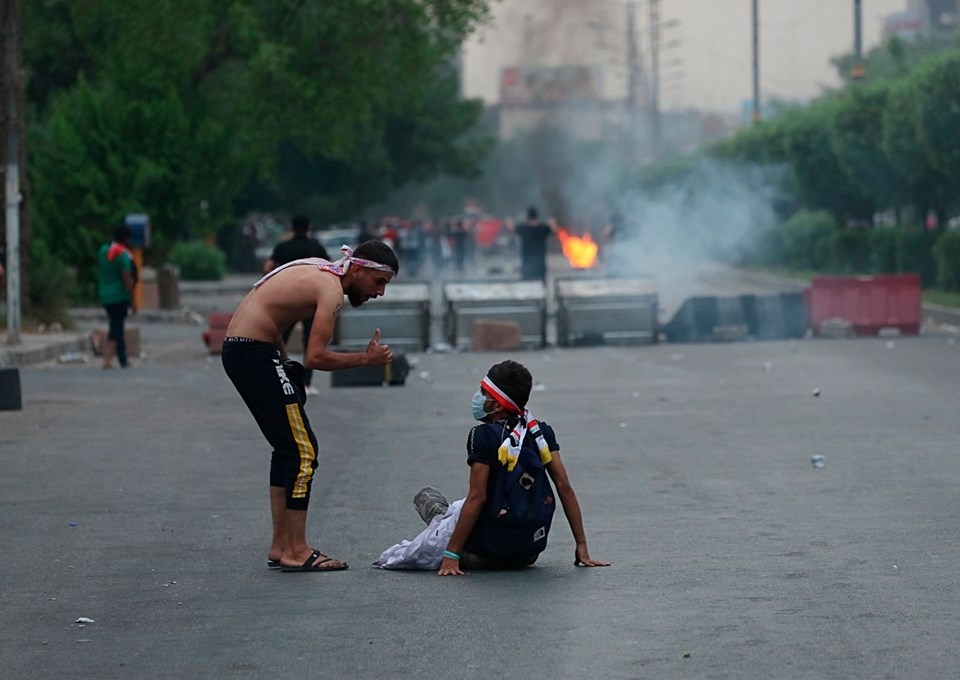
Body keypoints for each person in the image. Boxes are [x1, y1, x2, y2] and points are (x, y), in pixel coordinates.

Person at [221, 240, 399, 573]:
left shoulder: (320, 270)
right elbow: (315, 357)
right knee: (304, 452)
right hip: (252, 353)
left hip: (247, 350)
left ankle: (280, 546)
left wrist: (283, 362)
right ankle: (297, 550)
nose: (380, 293)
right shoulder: (330, 291)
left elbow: (267, 309)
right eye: (379, 282)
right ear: (358, 270)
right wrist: (366, 359)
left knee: (287, 449)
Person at [376, 359, 609, 575]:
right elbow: (563, 486)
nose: (478, 397)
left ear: (496, 405)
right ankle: (445, 517)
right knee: (457, 510)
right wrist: (581, 545)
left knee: (432, 502)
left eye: (483, 393)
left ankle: (439, 515)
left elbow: (478, 498)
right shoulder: (541, 432)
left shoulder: (483, 435)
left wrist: (450, 555)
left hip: (485, 555)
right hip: (528, 553)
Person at [262, 215, 330, 396]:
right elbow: (330, 269)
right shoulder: (316, 248)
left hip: (287, 301)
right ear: (309, 228)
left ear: (292, 227)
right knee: (310, 342)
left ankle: (277, 377)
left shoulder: (282, 248)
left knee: (279, 340)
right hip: (310, 301)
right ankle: (306, 383)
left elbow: (267, 268)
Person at [97, 225, 138, 369]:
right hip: (119, 297)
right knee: (116, 328)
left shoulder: (103, 251)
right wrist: (132, 299)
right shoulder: (123, 256)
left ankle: (122, 359)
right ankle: (106, 359)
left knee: (116, 325)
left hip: (104, 295)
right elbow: (127, 280)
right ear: (126, 239)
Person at [510, 206, 557, 283]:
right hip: (540, 264)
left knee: (527, 286)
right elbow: (553, 229)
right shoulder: (543, 228)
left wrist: (510, 221)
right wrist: (552, 221)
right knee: (541, 286)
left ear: (527, 217)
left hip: (527, 264)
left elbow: (512, 229)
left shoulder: (523, 228)